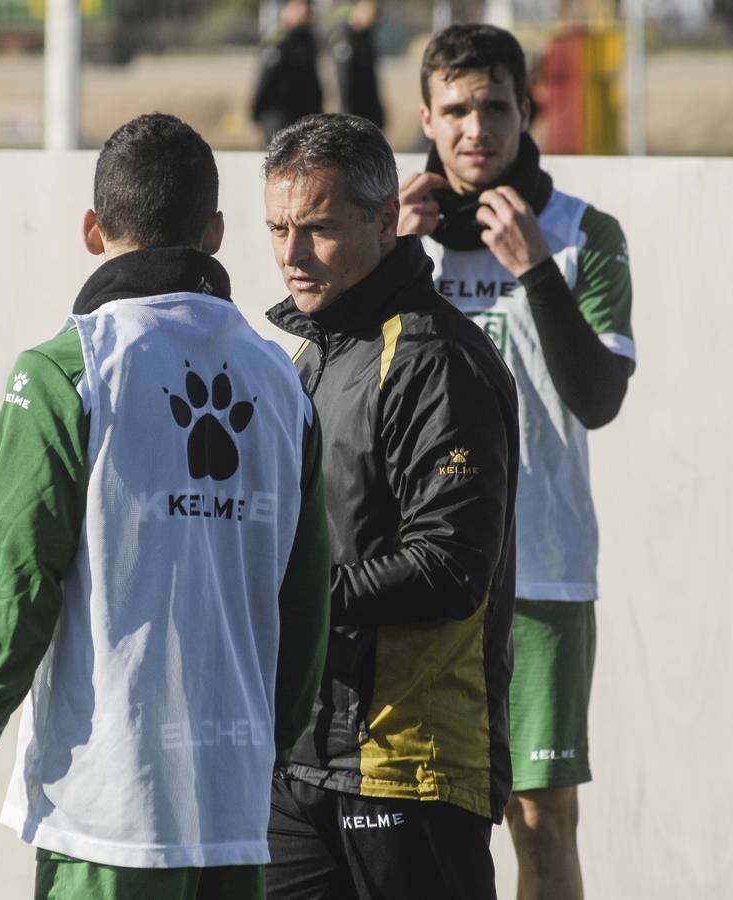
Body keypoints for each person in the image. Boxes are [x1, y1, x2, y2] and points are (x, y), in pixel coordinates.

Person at [0, 112, 332, 899]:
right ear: (213, 232)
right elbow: (305, 600)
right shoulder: (283, 383)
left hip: (108, 811)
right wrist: (265, 756)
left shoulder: (64, 371)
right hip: (232, 808)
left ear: (90, 229)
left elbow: (12, 592)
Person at [397, 24, 635, 900]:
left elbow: (598, 399)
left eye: (492, 106)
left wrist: (535, 274)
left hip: (541, 573)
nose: (474, 129)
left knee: (538, 824)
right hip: (418, 569)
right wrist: (390, 256)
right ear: (425, 116)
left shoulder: (581, 234)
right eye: (454, 110)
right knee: (415, 817)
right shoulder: (398, 232)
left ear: (522, 108)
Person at [262, 112, 519, 899]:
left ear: (384, 221)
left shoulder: (436, 359)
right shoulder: (305, 352)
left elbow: (449, 567)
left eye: (317, 229)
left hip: (411, 766)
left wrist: (289, 598)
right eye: (276, 228)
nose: (291, 256)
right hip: (297, 756)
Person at [251, 0, 325, 146]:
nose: (305, 10)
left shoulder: (309, 40)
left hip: (306, 115)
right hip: (279, 117)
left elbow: (314, 82)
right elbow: (264, 82)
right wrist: (255, 116)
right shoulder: (278, 40)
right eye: (299, 5)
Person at [333, 0, 385, 130]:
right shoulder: (345, 38)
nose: (372, 15)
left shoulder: (368, 37)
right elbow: (344, 86)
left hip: (370, 114)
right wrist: (347, 120)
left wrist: (378, 113)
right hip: (352, 118)